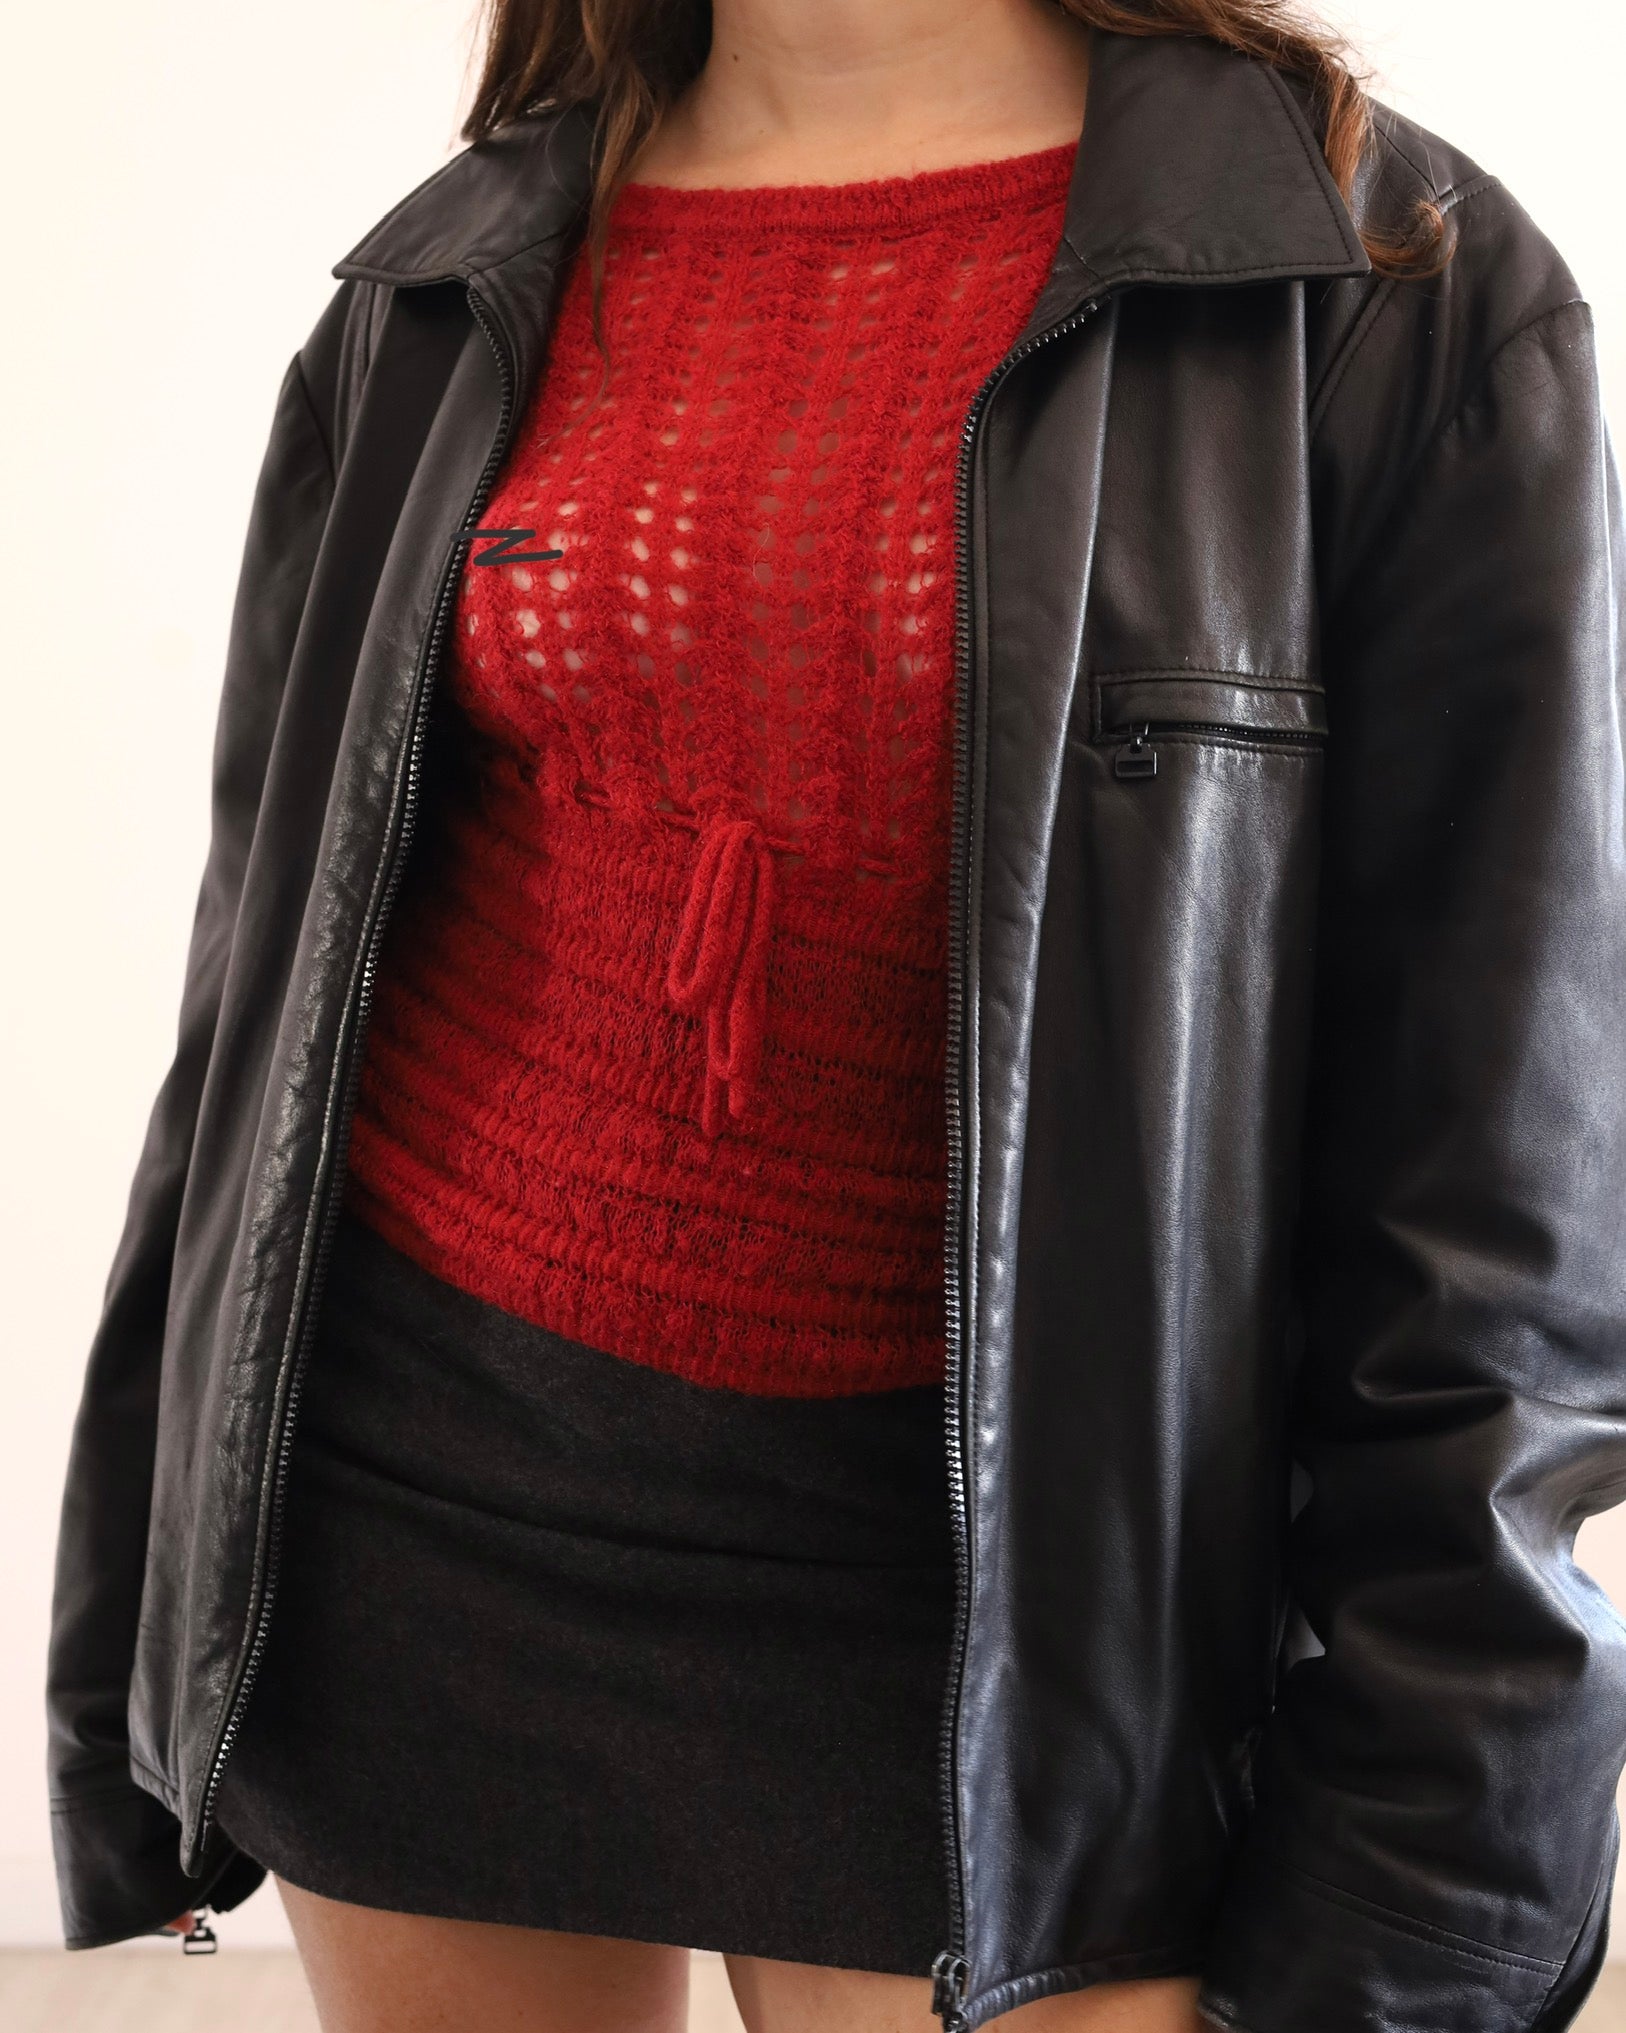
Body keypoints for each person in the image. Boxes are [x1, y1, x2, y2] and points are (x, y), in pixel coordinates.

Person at [45, 0, 1626, 2028]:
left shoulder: (1385, 288)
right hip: (416, 1543)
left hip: (1007, 1653)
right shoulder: (447, 272)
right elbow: (253, 1020)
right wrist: (138, 1626)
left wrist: (1415, 1888)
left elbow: (1497, 1223)